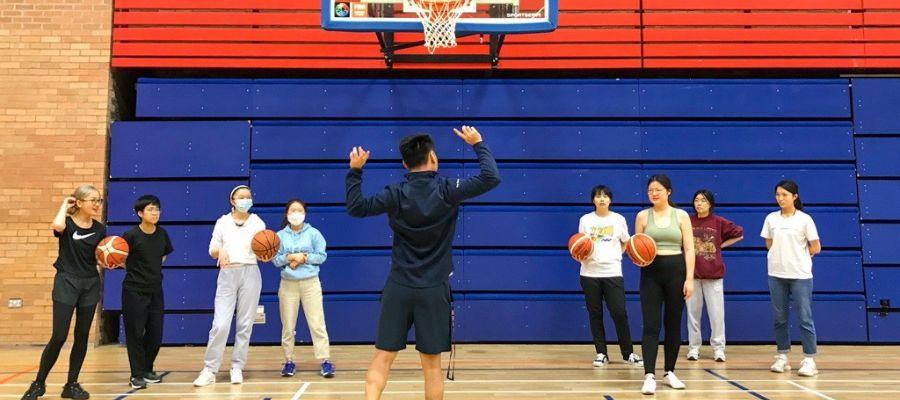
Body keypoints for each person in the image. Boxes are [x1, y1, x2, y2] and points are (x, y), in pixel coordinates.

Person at [345, 126, 500, 400]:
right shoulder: (448, 188)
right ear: (433, 158)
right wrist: (478, 144)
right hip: (433, 289)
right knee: (432, 368)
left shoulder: (394, 192)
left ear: (405, 163)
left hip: (398, 286)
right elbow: (490, 177)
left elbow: (357, 207)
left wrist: (356, 171)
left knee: (382, 358)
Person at [22, 185, 111, 400]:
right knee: (59, 335)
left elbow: (98, 257)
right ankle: (38, 383)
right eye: (92, 200)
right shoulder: (68, 224)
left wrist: (109, 260)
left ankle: (71, 385)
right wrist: (64, 204)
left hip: (90, 284)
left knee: (82, 337)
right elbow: (57, 226)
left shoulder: (100, 229)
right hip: (66, 282)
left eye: (98, 200)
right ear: (78, 202)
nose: (96, 204)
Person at [193, 185, 269, 387]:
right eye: (241, 197)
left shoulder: (257, 222)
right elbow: (212, 249)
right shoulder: (222, 222)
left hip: (250, 272)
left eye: (249, 197)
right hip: (227, 274)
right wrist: (220, 252)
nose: (246, 200)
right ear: (232, 200)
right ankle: (209, 369)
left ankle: (237, 367)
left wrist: (266, 254)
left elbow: (264, 251)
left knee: (245, 324)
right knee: (220, 324)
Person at [632, 175, 695, 395]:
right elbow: (635, 247)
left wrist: (689, 279)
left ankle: (669, 371)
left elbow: (689, 249)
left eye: (658, 189)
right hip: (650, 273)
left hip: (676, 271)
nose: (654, 193)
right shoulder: (642, 216)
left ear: (668, 191)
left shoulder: (681, 215)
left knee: (673, 324)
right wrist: (637, 256)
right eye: (650, 190)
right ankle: (649, 375)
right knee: (651, 324)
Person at [576, 184, 643, 368]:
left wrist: (615, 255)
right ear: (593, 200)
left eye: (605, 196)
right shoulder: (585, 220)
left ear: (610, 199)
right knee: (595, 314)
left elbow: (626, 242)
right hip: (589, 273)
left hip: (612, 272)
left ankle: (628, 353)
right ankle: (601, 353)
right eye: (598, 196)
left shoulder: (618, 219)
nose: (602, 199)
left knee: (619, 313)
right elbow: (580, 244)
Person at [761, 180, 821, 377]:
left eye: (784, 195)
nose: (780, 198)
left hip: (800, 276)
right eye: (777, 194)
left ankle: (809, 359)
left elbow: (816, 247)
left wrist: (799, 258)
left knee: (804, 317)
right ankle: (782, 356)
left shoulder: (805, 220)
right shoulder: (771, 219)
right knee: (780, 318)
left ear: (794, 196)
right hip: (776, 274)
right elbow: (769, 243)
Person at [272, 199, 335, 378]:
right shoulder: (280, 236)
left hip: (311, 283)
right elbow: (276, 259)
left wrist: (303, 257)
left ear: (305, 214)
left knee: (317, 323)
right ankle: (289, 361)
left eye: (299, 210)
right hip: (288, 285)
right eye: (293, 211)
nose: (296, 214)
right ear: (287, 214)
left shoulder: (314, 233)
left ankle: (325, 361)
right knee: (288, 325)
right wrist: (290, 257)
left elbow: (321, 256)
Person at [121, 195, 173, 389]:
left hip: (155, 289)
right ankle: (136, 374)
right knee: (135, 332)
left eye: (157, 209)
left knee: (155, 333)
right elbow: (122, 259)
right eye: (150, 209)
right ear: (140, 213)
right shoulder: (131, 235)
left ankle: (147, 368)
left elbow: (163, 256)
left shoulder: (162, 234)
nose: (155, 213)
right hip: (134, 290)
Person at [686, 189, 743, 362]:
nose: (699, 203)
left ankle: (718, 349)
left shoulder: (718, 222)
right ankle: (693, 348)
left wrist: (720, 245)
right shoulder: (687, 220)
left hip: (713, 275)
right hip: (693, 275)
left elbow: (739, 233)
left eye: (703, 200)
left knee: (716, 314)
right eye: (696, 200)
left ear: (710, 203)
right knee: (692, 314)